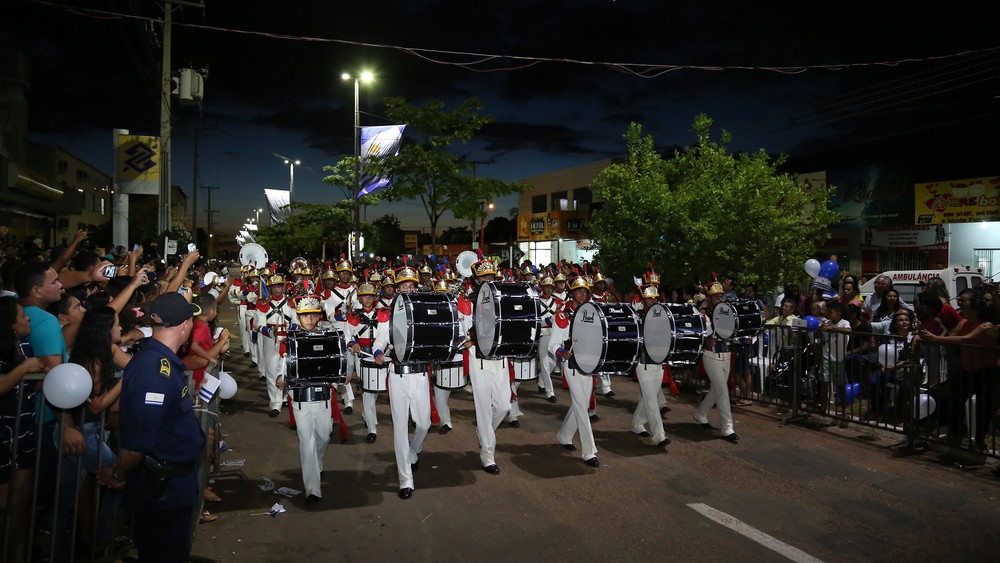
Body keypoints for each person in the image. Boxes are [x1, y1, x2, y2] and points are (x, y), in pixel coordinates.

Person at [96, 292, 206, 563]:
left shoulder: (154, 361)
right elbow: (138, 443)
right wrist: (120, 471)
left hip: (169, 484)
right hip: (162, 488)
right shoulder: (156, 370)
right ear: (184, 325)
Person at [371, 263, 430, 500]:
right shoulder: (387, 316)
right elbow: (379, 342)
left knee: (424, 424)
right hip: (397, 376)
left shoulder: (425, 312)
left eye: (411, 286)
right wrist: (377, 353)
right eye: (403, 286)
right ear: (396, 290)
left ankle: (413, 451)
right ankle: (405, 479)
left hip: (420, 376)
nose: (407, 289)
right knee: (399, 429)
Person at [276, 295, 337, 505]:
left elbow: (336, 362)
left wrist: (342, 376)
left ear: (319, 315)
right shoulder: (291, 339)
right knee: (307, 442)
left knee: (325, 435)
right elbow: (284, 363)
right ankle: (313, 489)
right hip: (301, 398)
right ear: (298, 317)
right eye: (305, 315)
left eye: (313, 314)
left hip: (323, 397)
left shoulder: (328, 337)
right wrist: (280, 378)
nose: (309, 319)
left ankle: (318, 463)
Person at [0, 297, 46, 563]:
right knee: (5, 505)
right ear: (10, 325)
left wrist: (42, 374)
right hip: (3, 435)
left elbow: (27, 386)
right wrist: (25, 369)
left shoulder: (26, 345)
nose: (28, 318)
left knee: (20, 505)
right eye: (21, 316)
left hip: (25, 431)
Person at [457, 256, 510, 475]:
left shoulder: (503, 300)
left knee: (504, 407)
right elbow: (460, 331)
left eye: (491, 276)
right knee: (484, 410)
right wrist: (467, 341)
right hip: (478, 359)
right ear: (476, 280)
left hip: (500, 359)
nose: (488, 280)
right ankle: (488, 455)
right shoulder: (466, 302)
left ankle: (484, 431)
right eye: (484, 277)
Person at [548, 272, 601, 467]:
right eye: (578, 291)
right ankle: (589, 451)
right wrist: (562, 352)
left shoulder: (593, 312)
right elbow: (552, 344)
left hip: (589, 364)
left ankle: (564, 435)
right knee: (580, 405)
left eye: (584, 291)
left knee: (582, 404)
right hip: (571, 365)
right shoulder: (562, 314)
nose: (582, 294)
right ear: (571, 293)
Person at [693, 281, 740, 443]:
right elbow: (701, 334)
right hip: (711, 355)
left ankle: (700, 413)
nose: (719, 299)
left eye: (721, 296)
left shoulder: (727, 311)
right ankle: (727, 427)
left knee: (716, 389)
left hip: (726, 353)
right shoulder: (704, 313)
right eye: (716, 297)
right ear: (710, 298)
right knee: (722, 391)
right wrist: (708, 339)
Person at [346, 279, 390, 443]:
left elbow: (384, 335)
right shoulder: (354, 316)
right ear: (360, 298)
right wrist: (353, 343)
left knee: (377, 389)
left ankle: (366, 414)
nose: (368, 299)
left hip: (379, 354)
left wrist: (379, 350)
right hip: (362, 356)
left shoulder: (383, 314)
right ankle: (372, 427)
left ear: (375, 297)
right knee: (367, 390)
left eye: (370, 296)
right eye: (364, 296)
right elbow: (347, 335)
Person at [631, 285, 670, 448]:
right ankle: (659, 435)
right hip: (643, 361)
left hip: (658, 361)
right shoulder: (637, 315)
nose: (653, 301)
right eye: (649, 298)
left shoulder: (663, 315)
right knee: (652, 400)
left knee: (650, 397)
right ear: (643, 299)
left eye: (655, 298)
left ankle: (637, 423)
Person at [254, 272, 295, 417]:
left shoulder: (291, 302)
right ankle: (275, 404)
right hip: (271, 339)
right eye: (274, 287)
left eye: (279, 286)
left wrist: (294, 326)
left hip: (287, 338)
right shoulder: (263, 304)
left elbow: (296, 319)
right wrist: (266, 330)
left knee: (287, 369)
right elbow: (258, 322)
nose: (277, 289)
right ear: (270, 288)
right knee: (271, 371)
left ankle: (284, 397)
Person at [321, 257, 357, 414]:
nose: (344, 276)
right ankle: (347, 399)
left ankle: (344, 395)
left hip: (351, 330)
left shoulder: (356, 292)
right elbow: (328, 315)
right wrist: (339, 315)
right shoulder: (330, 293)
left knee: (348, 365)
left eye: (346, 273)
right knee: (338, 364)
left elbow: (360, 311)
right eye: (341, 273)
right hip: (336, 331)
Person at [535, 274, 560, 402]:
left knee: (553, 363)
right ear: (542, 288)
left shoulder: (556, 302)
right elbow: (535, 320)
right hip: (542, 334)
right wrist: (548, 321)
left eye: (551, 287)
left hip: (555, 335)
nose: (549, 290)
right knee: (544, 362)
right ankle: (550, 392)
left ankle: (540, 379)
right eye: (546, 287)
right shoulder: (536, 301)